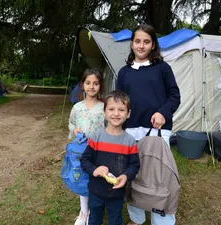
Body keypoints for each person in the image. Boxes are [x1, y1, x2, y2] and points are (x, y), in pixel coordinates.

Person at [116, 24, 181, 225]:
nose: (141, 46)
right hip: (130, 130)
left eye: (146, 42)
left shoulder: (163, 68)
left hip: (157, 131)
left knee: (158, 176)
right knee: (133, 174)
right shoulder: (124, 72)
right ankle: (137, 218)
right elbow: (119, 102)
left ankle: (161, 219)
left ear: (153, 45)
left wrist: (163, 112)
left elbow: (174, 96)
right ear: (132, 44)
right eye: (137, 41)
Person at [80, 90, 140, 225]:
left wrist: (125, 176)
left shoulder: (130, 141)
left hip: (117, 193)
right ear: (105, 112)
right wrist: (94, 170)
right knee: (94, 220)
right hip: (95, 191)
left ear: (128, 114)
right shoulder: (96, 137)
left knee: (115, 220)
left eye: (121, 110)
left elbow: (134, 165)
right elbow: (84, 160)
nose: (116, 113)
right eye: (111, 109)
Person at [68, 68, 105, 225]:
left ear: (100, 86)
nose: (91, 87)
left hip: (99, 150)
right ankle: (84, 211)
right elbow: (71, 123)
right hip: (82, 151)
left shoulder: (104, 107)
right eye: (88, 83)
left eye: (95, 83)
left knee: (96, 178)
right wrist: (74, 129)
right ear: (82, 85)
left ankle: (96, 209)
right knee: (83, 178)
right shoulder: (77, 107)